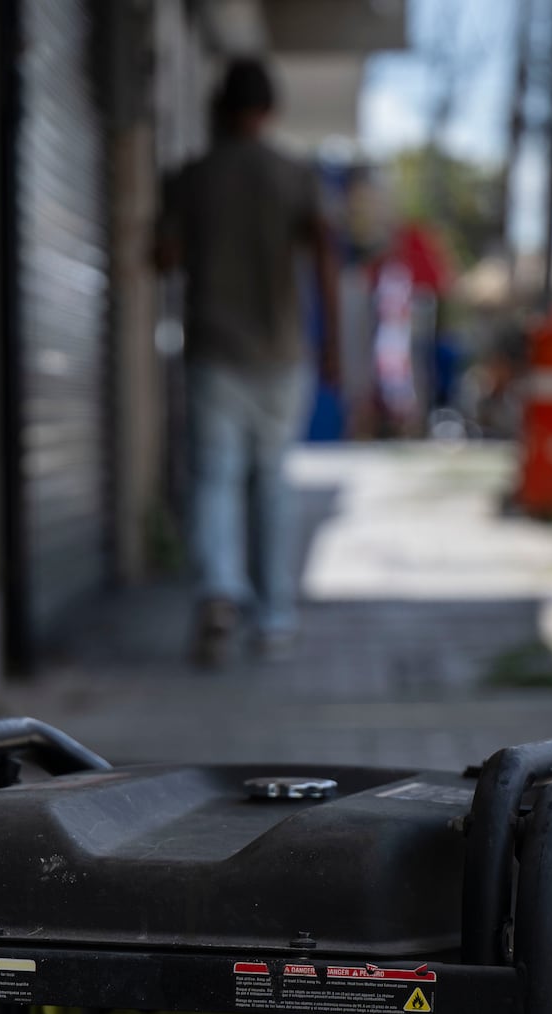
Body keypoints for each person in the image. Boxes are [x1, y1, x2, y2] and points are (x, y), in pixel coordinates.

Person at [156, 58, 340, 666]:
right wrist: (333, 345)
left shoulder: (193, 176)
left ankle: (218, 592)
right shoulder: (295, 175)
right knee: (271, 482)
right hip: (281, 352)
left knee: (214, 478)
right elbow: (324, 256)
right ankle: (275, 616)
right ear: (272, 110)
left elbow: (162, 255)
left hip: (214, 348)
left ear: (219, 106)